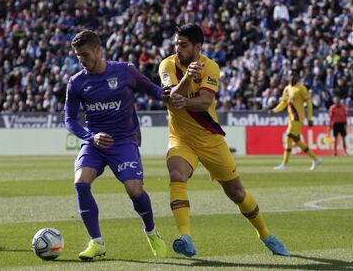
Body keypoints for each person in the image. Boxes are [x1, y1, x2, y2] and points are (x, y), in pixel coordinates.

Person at [158, 23, 289, 258]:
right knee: (176, 174)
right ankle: (185, 236)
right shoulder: (167, 65)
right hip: (180, 138)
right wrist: (187, 79)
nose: (178, 48)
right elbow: (170, 97)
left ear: (198, 46)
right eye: (176, 43)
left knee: (237, 193)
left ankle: (265, 234)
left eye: (184, 45)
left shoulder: (211, 68)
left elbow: (204, 102)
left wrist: (184, 100)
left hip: (210, 139)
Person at [64, 30, 167, 261]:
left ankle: (151, 232)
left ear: (98, 50)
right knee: (81, 182)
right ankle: (96, 242)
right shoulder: (77, 83)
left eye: (85, 54)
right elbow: (70, 120)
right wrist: (90, 137)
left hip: (123, 141)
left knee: (134, 190)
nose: (82, 60)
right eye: (78, 56)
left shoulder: (124, 71)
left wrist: (167, 96)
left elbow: (150, 88)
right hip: (95, 143)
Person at [271, 69, 322, 170]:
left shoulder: (301, 88)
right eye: (290, 75)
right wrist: (274, 110)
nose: (292, 77)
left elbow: (309, 103)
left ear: (298, 77)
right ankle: (315, 159)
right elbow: (284, 103)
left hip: (298, 117)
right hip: (291, 117)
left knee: (289, 135)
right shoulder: (286, 89)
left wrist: (310, 117)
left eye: (294, 75)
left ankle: (285, 164)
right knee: (295, 140)